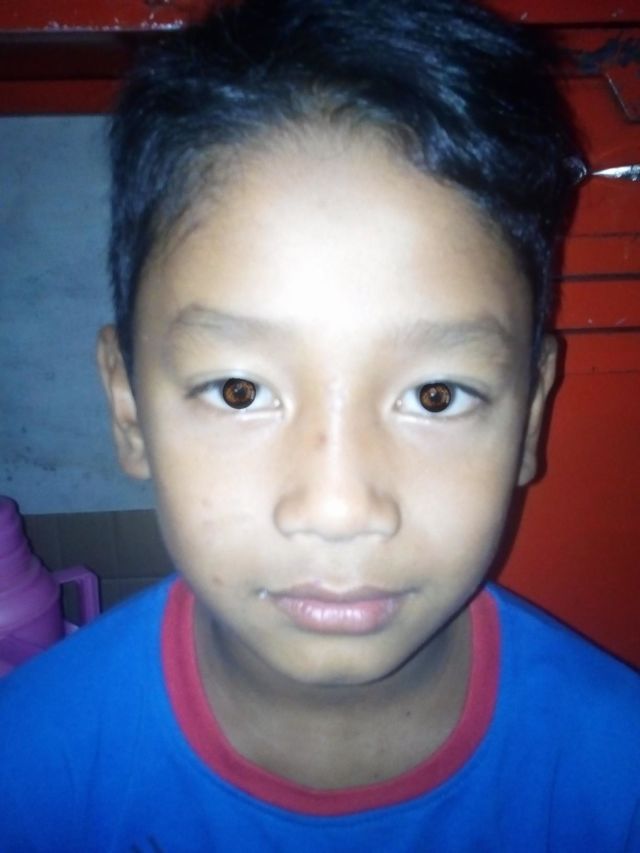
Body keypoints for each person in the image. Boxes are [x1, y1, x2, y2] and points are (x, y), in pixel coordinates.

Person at [1, 0, 638, 849]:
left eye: (435, 396)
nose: (340, 509)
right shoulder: (27, 773)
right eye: (239, 391)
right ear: (129, 410)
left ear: (528, 416)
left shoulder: (617, 779)